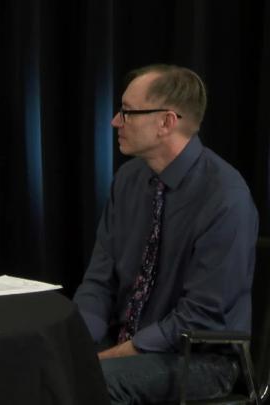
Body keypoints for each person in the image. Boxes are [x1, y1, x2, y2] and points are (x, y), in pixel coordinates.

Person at [73, 64, 258, 403]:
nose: (115, 121)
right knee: (43, 367)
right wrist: (74, 344)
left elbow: (199, 317)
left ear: (166, 122)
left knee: (89, 382)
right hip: (122, 344)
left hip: (198, 359)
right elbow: (99, 281)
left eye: (127, 112)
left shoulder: (225, 197)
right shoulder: (127, 181)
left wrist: (104, 359)